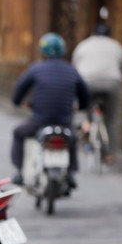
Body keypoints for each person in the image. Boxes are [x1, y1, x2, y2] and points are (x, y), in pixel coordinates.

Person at [10, 32, 90, 186]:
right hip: (64, 121)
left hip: (40, 121)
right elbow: (85, 94)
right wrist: (81, 107)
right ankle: (71, 173)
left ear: (43, 51)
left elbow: (20, 89)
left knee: (18, 133)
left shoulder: (36, 69)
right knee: (71, 138)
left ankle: (19, 172)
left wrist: (18, 101)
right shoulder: (72, 71)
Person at [71, 22, 122, 162]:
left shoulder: (83, 45)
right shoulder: (117, 46)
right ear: (109, 35)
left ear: (93, 34)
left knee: (82, 106)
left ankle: (84, 123)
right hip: (112, 83)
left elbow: (74, 69)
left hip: (88, 82)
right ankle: (110, 154)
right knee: (111, 119)